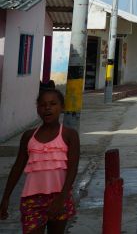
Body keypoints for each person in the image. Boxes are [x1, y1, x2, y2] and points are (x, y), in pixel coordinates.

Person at [1, 88, 80, 233]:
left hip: (60, 197)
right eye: (43, 105)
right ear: (37, 108)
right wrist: (5, 197)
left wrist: (62, 198)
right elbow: (18, 167)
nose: (47, 108)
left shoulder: (69, 135)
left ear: (62, 107)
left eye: (53, 104)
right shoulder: (28, 136)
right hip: (32, 201)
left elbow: (72, 169)